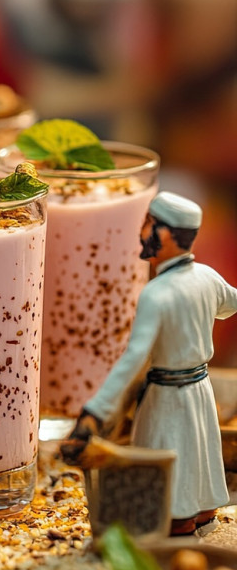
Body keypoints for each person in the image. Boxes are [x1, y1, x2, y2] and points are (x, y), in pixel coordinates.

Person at [68, 191, 237, 535]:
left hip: (167, 395)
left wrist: (96, 410)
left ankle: (176, 521)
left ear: (164, 234)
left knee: (168, 456)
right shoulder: (207, 277)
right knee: (199, 451)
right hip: (199, 389)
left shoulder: (157, 293)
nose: (142, 231)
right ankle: (204, 510)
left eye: (147, 223)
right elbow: (231, 303)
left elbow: (134, 358)